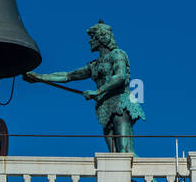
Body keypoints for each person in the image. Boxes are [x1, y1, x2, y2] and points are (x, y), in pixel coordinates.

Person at [25, 21, 144, 154]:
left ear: (101, 38)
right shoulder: (93, 65)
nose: (90, 41)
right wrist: (40, 78)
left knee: (125, 152)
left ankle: (155, 174)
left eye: (92, 37)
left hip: (121, 104)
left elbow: (120, 77)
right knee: (113, 156)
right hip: (106, 109)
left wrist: (97, 91)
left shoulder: (117, 54)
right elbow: (68, 76)